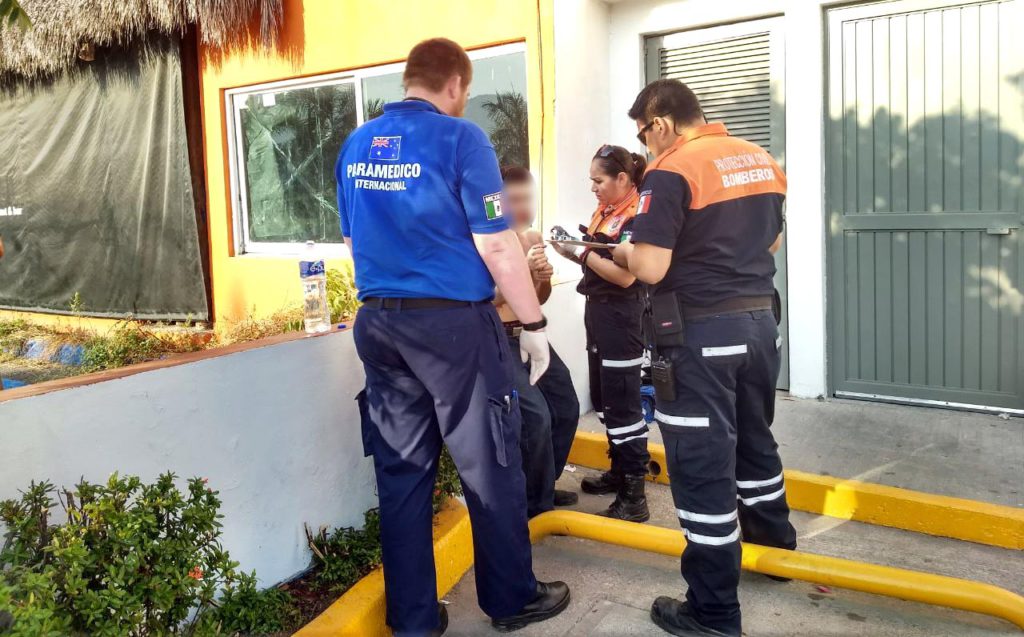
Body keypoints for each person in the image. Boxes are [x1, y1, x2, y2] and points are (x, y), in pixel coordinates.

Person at [336, 38, 570, 637]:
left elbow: (352, 242)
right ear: (456, 84)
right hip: (452, 330)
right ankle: (511, 600)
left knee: (401, 475)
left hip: (379, 325)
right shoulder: (463, 139)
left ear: (409, 79)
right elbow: (496, 243)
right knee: (490, 464)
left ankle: (413, 620)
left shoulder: (357, 144)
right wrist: (534, 324)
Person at [614, 79, 797, 637]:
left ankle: (713, 611)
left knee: (701, 466)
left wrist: (623, 249)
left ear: (661, 123)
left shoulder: (672, 169)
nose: (646, 146)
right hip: (760, 325)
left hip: (701, 334)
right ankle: (774, 548)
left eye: (644, 135)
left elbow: (649, 266)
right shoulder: (759, 158)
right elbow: (771, 242)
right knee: (754, 437)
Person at [550, 144, 651, 523]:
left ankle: (634, 496)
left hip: (622, 317)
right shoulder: (608, 209)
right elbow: (596, 260)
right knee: (606, 400)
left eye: (599, 180)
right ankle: (619, 471)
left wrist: (579, 254)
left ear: (622, 178)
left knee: (623, 404)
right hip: (599, 313)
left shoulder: (636, 215)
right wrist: (569, 249)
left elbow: (625, 277)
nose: (593, 187)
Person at [496, 165, 581, 518]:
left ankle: (544, 484)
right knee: (536, 417)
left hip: (531, 334)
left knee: (566, 405)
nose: (523, 207)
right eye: (513, 199)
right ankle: (535, 506)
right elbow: (488, 299)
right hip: (499, 339)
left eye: (527, 198)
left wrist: (541, 276)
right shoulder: (487, 240)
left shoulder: (532, 237)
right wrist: (522, 270)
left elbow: (539, 298)